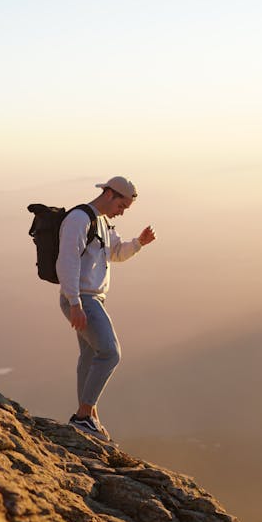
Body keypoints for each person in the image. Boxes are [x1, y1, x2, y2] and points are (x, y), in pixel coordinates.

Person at [56, 176, 156, 441]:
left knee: (90, 357)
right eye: (121, 205)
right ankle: (83, 416)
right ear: (110, 194)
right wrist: (75, 303)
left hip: (90, 299)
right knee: (110, 353)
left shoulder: (102, 221)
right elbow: (66, 262)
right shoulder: (79, 219)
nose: (121, 212)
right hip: (82, 298)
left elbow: (115, 253)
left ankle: (89, 416)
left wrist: (139, 243)